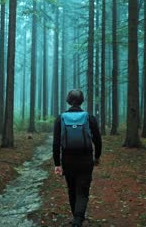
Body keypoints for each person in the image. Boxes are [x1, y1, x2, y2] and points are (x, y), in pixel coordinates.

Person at [53, 89, 102, 227]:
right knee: (83, 191)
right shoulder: (89, 118)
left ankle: (76, 218)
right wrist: (97, 157)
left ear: (68, 101)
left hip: (67, 160)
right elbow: (98, 140)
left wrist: (57, 164)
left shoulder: (61, 118)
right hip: (86, 159)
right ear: (82, 101)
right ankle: (78, 220)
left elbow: (56, 143)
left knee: (72, 189)